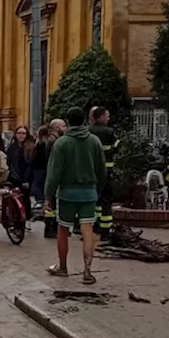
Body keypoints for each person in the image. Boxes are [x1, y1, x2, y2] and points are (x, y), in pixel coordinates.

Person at [45, 107, 107, 285]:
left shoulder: (62, 143)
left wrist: (48, 196)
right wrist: (99, 189)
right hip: (89, 192)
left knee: (63, 230)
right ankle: (87, 271)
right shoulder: (94, 141)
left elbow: (54, 172)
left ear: (68, 122)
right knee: (87, 230)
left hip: (67, 193)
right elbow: (101, 169)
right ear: (85, 120)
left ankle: (63, 267)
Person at [88, 106, 119, 239]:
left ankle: (93, 226)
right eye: (107, 116)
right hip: (106, 171)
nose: (108, 118)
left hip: (91, 172)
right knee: (106, 200)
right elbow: (116, 147)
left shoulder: (88, 132)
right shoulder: (109, 132)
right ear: (100, 117)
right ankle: (105, 230)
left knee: (93, 200)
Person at [41, 118, 68, 239]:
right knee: (51, 203)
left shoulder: (53, 140)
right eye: (63, 126)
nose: (65, 129)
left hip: (50, 173)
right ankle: (50, 228)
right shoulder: (53, 141)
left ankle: (53, 227)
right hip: (52, 174)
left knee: (53, 204)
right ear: (57, 128)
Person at [5, 126, 35, 213]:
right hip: (13, 176)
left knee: (25, 197)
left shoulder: (30, 147)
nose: (21, 135)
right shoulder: (12, 147)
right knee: (13, 197)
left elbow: (30, 164)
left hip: (26, 176)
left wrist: (27, 179)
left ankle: (26, 215)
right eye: (19, 133)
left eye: (23, 133)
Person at [30, 124, 53, 216]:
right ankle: (44, 202)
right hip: (46, 167)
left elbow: (34, 157)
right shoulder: (48, 143)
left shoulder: (38, 144)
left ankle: (40, 202)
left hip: (38, 168)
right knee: (43, 185)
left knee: (38, 185)